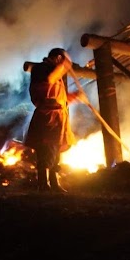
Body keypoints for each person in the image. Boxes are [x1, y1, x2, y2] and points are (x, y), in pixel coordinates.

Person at [23, 47, 81, 193]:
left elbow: (58, 98)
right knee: (46, 151)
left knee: (56, 153)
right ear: (59, 58)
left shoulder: (55, 72)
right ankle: (43, 184)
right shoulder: (41, 69)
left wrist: (75, 96)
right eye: (64, 60)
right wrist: (64, 65)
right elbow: (48, 82)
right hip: (47, 118)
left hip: (58, 119)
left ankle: (54, 183)